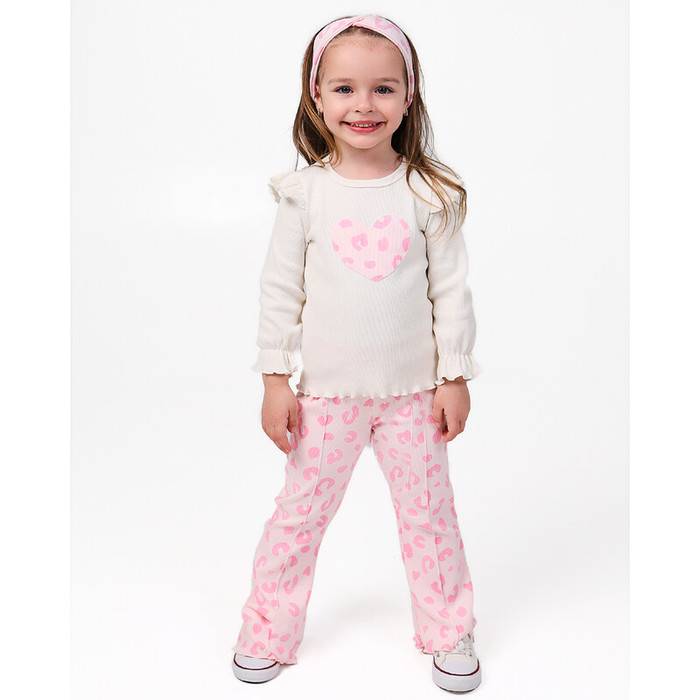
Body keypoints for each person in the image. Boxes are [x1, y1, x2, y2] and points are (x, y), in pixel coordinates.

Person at [231, 14, 484, 694]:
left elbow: (451, 293)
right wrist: (275, 378)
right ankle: (268, 629)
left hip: (412, 398)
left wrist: (454, 375)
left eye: (382, 88)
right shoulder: (305, 194)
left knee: (430, 518)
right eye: (344, 89)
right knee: (299, 514)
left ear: (408, 95)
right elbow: (280, 290)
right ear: (317, 96)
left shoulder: (427, 193)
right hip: (325, 399)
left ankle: (448, 628)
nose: (363, 105)